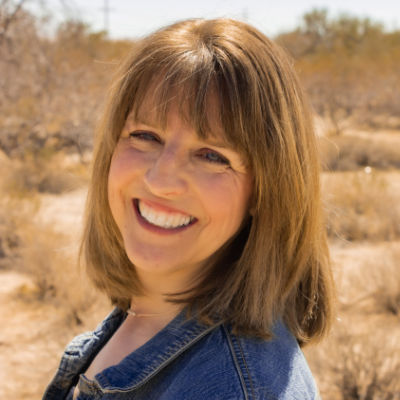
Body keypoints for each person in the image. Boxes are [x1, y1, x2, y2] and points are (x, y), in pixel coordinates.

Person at [43, 17, 335, 400]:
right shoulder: (140, 324)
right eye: (145, 136)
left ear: (267, 191)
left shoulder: (236, 389)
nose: (161, 180)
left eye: (212, 155)